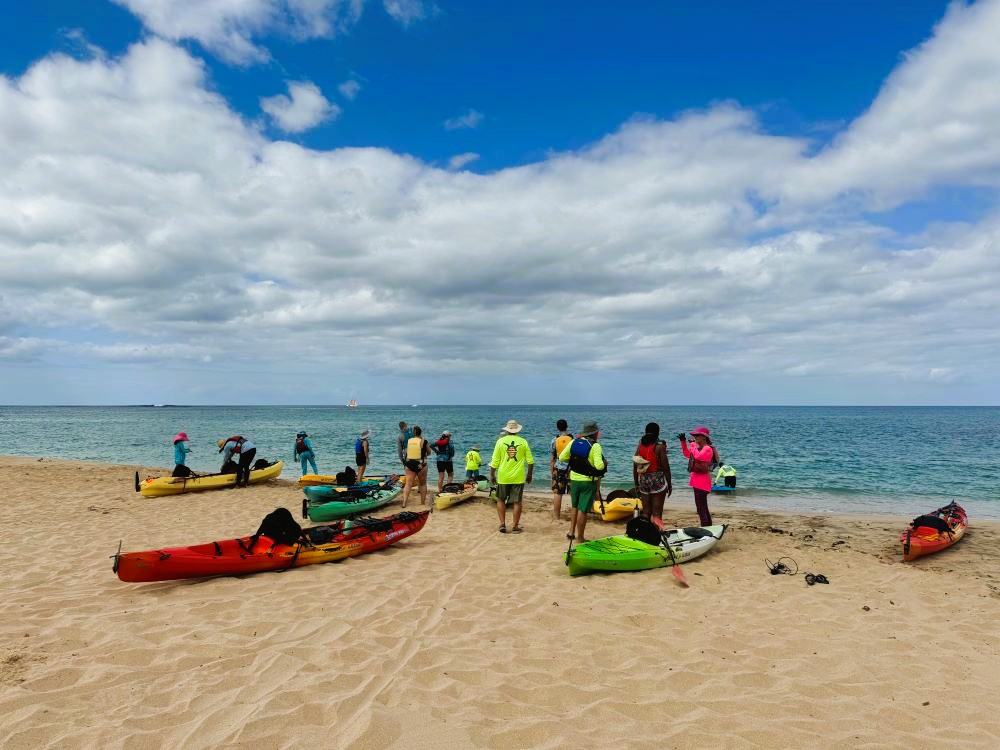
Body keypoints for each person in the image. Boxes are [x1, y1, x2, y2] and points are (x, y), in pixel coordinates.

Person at [558, 420, 606, 543]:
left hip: (574, 479)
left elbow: (562, 457)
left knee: (575, 506)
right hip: (588, 482)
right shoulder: (595, 446)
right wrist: (605, 462)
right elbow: (599, 466)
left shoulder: (573, 442)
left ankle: (571, 532)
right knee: (583, 510)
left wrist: (576, 459)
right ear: (595, 433)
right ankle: (580, 537)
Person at [489, 419, 534, 534]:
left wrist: (492, 474)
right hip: (518, 477)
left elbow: (495, 461)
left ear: (507, 430)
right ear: (517, 430)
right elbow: (530, 461)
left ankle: (502, 524)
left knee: (500, 499)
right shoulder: (523, 442)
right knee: (517, 502)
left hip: (503, 476)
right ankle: (515, 527)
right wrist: (529, 474)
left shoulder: (500, 442)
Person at [678, 426, 718, 526]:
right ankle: (708, 527)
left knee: (700, 508)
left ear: (704, 437)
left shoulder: (707, 448)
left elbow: (697, 456)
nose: (695, 437)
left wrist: (692, 444)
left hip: (702, 482)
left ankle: (705, 528)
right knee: (703, 506)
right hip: (697, 481)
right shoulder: (698, 448)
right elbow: (687, 454)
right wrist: (683, 442)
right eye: (694, 435)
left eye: (697, 435)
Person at [632, 422, 673, 522]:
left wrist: (637, 484)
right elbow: (666, 468)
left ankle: (645, 534)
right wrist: (669, 484)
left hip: (643, 480)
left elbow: (635, 465)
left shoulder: (640, 445)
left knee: (646, 512)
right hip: (657, 481)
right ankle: (656, 535)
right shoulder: (659, 447)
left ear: (645, 432)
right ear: (658, 433)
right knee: (657, 514)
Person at [549, 419, 573, 521]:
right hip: (571, 469)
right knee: (573, 493)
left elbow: (552, 458)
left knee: (558, 493)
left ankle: (557, 517)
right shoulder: (572, 439)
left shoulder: (554, 440)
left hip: (559, 468)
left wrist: (552, 472)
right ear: (567, 427)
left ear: (558, 428)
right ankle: (574, 516)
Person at [401, 425, 430, 508]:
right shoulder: (424, 441)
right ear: (420, 432)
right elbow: (429, 452)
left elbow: (406, 452)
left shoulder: (409, 441)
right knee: (423, 484)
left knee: (408, 484)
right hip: (421, 465)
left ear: (413, 433)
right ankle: (422, 503)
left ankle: (404, 503)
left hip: (410, 464)